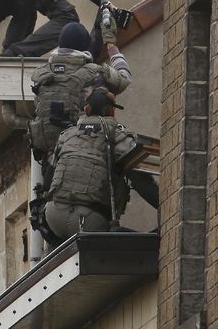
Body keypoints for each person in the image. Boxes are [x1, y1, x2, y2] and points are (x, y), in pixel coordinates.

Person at [43, 87, 153, 242]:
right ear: (109, 110)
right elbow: (141, 181)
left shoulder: (67, 135)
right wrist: (165, 206)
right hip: (89, 221)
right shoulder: (118, 137)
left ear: (87, 109)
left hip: (53, 217)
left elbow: (48, 179)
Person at [28, 21, 131, 168]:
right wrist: (111, 46)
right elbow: (124, 79)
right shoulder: (94, 72)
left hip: (51, 161)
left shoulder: (41, 74)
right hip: (85, 156)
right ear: (84, 46)